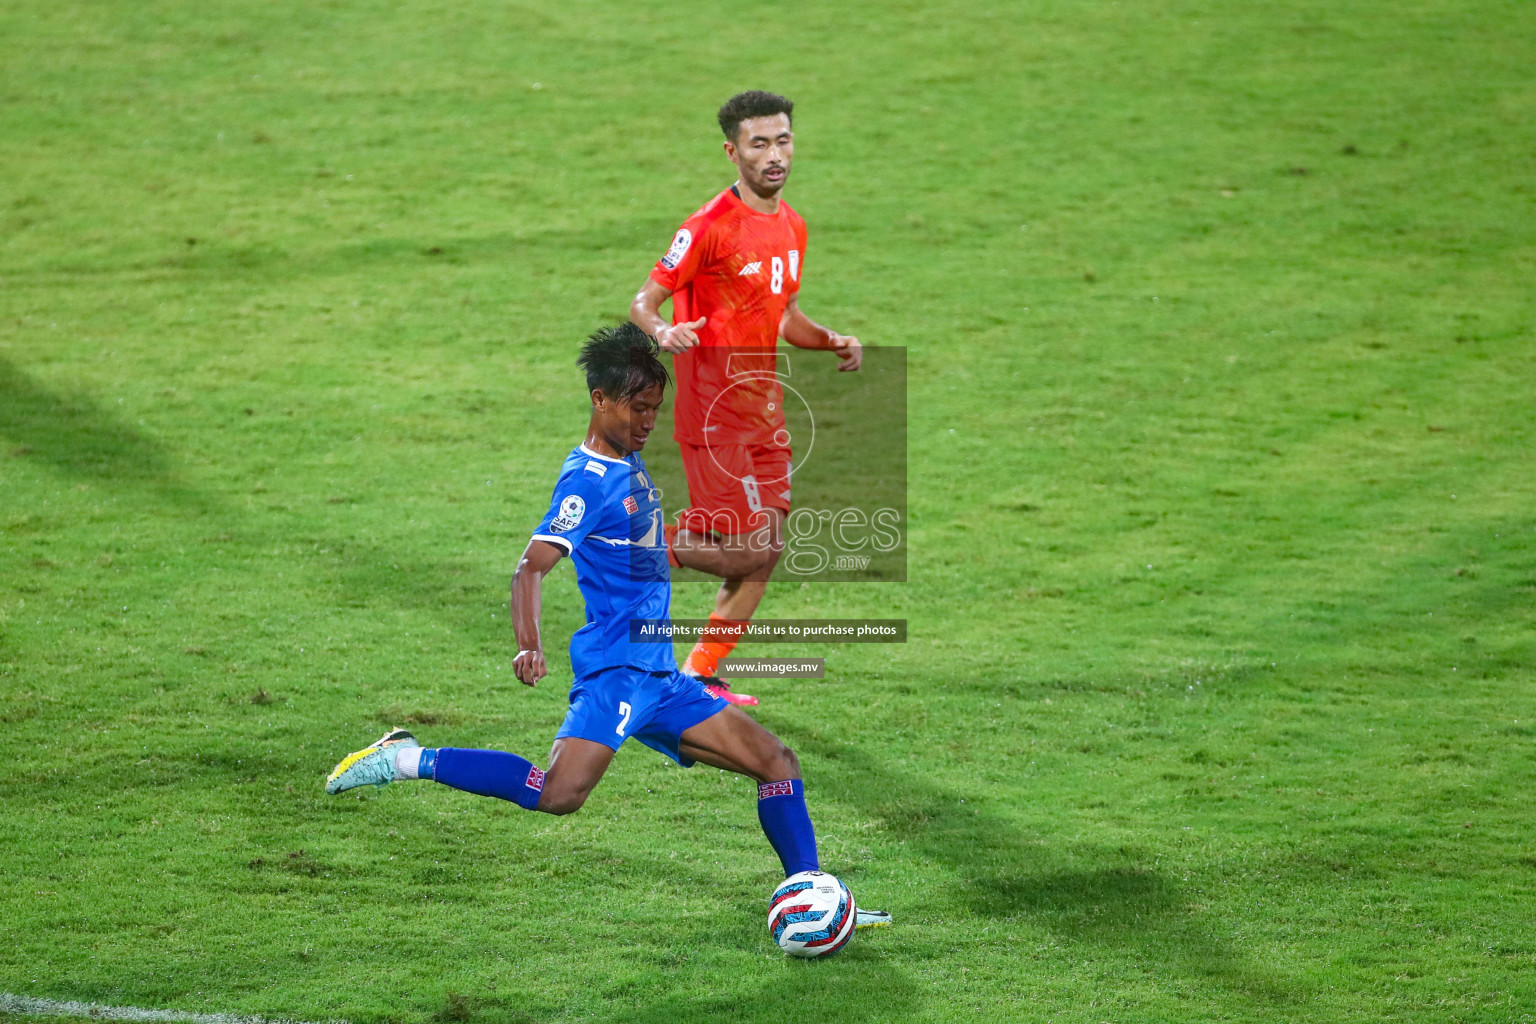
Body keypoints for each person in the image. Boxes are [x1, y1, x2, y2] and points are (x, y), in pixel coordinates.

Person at [323, 323, 889, 930]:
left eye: (655, 408)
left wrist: (724, 554)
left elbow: (651, 549)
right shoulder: (586, 482)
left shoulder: (631, 460)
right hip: (617, 672)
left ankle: (813, 900)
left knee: (777, 762)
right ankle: (406, 758)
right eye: (638, 408)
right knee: (558, 794)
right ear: (601, 400)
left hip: (660, 676)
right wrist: (528, 646)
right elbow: (530, 567)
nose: (649, 421)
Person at [630, 90, 862, 706]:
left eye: (783, 140)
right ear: (733, 152)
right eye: (759, 144)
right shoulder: (706, 228)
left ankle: (702, 671)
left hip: (765, 411)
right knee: (750, 552)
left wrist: (829, 339)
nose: (775, 154)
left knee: (765, 553)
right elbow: (643, 302)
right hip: (715, 412)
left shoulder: (793, 225)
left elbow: (784, 316)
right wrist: (664, 332)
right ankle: (629, 542)